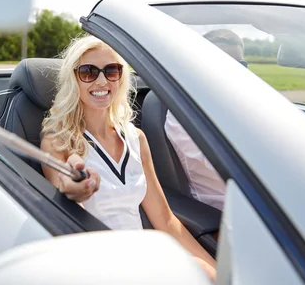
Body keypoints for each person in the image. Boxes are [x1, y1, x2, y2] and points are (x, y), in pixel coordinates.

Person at [40, 34, 217, 280]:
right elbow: (66, 191)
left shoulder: (136, 139)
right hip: (100, 265)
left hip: (144, 257)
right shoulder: (58, 141)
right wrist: (75, 189)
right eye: (88, 72)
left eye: (111, 71)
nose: (102, 80)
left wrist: (219, 272)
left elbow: (166, 220)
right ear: (73, 79)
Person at [165, 29, 305, 211]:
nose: (234, 71)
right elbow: (247, 171)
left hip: (278, 203)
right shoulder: (187, 115)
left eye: (241, 64)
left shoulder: (232, 104)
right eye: (223, 63)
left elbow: (298, 128)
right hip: (244, 216)